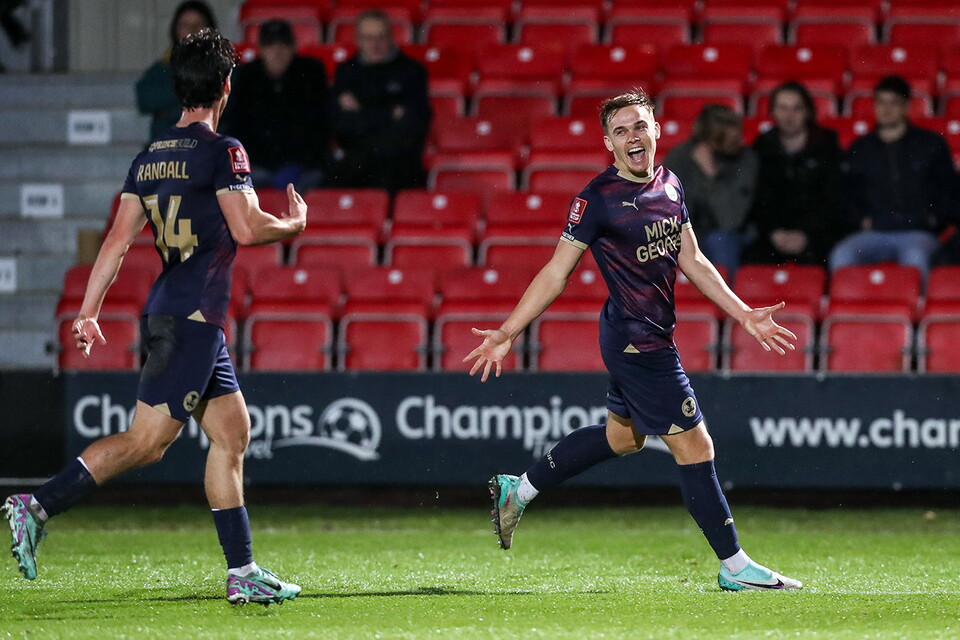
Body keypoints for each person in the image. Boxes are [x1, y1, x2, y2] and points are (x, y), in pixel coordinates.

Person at [3, 29, 307, 606]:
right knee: (147, 444)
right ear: (225, 86)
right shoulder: (224, 151)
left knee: (233, 433)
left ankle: (243, 573)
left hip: (180, 313)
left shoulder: (149, 157)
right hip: (192, 316)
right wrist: (292, 224)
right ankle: (36, 505)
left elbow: (117, 240)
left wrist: (88, 309)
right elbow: (247, 227)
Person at [465, 89, 802, 592]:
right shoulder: (596, 200)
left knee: (624, 438)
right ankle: (735, 567)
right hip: (635, 341)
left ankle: (521, 489)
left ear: (657, 130)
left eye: (639, 125)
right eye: (620, 130)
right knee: (696, 445)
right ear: (608, 143)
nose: (632, 137)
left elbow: (692, 259)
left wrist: (744, 314)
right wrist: (508, 331)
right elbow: (556, 272)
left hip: (648, 333)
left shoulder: (670, 184)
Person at [830, 75, 957, 280]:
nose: (886, 109)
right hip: (873, 233)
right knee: (842, 254)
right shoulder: (861, 148)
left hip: (918, 232)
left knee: (914, 257)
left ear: (906, 106)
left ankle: (916, 310)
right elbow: (847, 193)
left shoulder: (930, 145)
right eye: (881, 102)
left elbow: (948, 189)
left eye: (893, 103)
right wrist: (861, 220)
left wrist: (933, 219)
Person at [219, 19, 329, 192]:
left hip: (302, 167)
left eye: (284, 44)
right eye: (270, 45)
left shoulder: (310, 73)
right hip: (257, 165)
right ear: (261, 48)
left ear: (293, 47)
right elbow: (236, 124)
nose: (277, 51)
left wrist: (298, 164)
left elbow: (320, 126)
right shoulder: (247, 76)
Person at [328, 9, 431, 193]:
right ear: (358, 39)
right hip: (355, 163)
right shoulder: (346, 72)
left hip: (397, 163)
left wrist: (361, 112)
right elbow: (341, 126)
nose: (375, 44)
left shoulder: (411, 71)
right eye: (368, 37)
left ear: (391, 37)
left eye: (381, 36)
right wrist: (390, 113)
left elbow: (413, 126)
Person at [747, 82, 845, 266]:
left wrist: (806, 234)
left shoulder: (826, 144)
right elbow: (757, 199)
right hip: (774, 235)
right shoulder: (762, 146)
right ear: (773, 112)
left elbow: (834, 199)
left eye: (796, 108)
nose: (789, 116)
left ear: (807, 111)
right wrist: (774, 232)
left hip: (817, 235)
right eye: (782, 108)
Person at [663, 104, 757, 279]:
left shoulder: (747, 160)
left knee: (720, 241)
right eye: (732, 140)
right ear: (710, 140)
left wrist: (711, 176)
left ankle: (725, 303)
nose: (740, 142)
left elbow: (730, 220)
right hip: (688, 234)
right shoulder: (680, 157)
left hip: (733, 236)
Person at [135, 1, 216, 141]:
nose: (192, 30)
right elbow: (145, 99)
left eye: (198, 24)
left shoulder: (223, 68)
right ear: (175, 30)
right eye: (185, 25)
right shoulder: (162, 68)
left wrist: (171, 109)